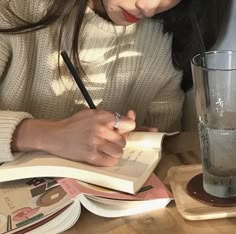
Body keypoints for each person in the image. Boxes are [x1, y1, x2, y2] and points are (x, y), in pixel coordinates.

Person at [0, 0, 225, 166]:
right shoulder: (13, 8)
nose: (149, 7)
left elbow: (163, 144)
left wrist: (132, 140)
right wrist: (47, 135)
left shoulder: (167, 39)